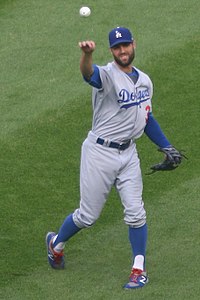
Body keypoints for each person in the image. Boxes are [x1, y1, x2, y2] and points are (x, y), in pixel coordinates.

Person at [46, 26, 182, 289]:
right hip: (99, 153)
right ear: (111, 51)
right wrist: (87, 55)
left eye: (126, 45)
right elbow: (89, 74)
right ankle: (55, 244)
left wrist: (167, 146)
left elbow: (147, 118)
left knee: (136, 213)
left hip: (129, 154)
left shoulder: (144, 80)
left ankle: (138, 269)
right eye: (117, 47)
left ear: (134, 45)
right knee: (87, 216)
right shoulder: (106, 75)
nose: (122, 51)